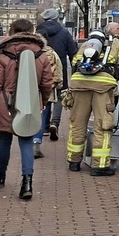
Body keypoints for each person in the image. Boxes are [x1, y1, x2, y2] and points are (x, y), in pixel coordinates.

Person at [0, 19, 53, 200]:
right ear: (32, 31)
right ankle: (27, 183)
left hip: (5, 103)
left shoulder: (3, 55)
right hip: (29, 102)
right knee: (26, 142)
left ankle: (0, 176)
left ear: (12, 31)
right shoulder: (41, 55)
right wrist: (41, 101)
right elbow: (47, 83)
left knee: (4, 140)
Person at [67, 27, 119, 176]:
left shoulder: (85, 45)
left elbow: (74, 63)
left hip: (79, 83)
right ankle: (100, 166)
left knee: (77, 124)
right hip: (103, 87)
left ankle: (74, 161)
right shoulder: (118, 43)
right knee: (103, 125)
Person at [36, 8, 78, 142]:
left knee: (45, 96)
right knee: (60, 96)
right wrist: (76, 71)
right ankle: (55, 122)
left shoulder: (38, 32)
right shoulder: (65, 33)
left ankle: (45, 126)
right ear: (57, 19)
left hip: (42, 70)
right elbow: (73, 53)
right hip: (60, 70)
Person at [31, 27, 65, 159]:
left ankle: (27, 140)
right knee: (42, 116)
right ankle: (36, 143)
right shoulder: (52, 53)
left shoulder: (28, 52)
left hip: (30, 89)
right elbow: (59, 72)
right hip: (47, 90)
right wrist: (57, 86)